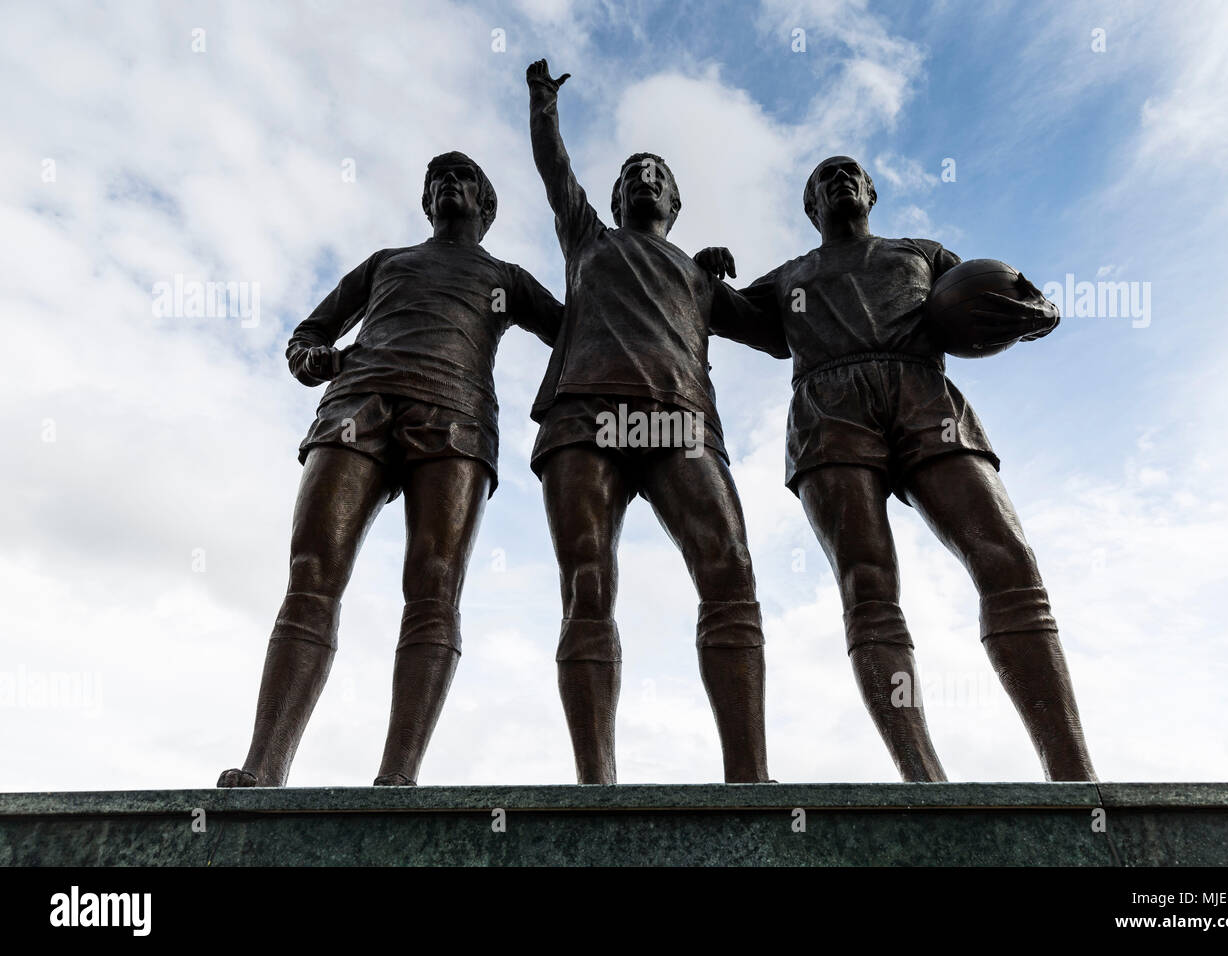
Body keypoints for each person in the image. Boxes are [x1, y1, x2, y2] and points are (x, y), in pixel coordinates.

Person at [696, 155, 1097, 781]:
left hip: (923, 395)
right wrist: (703, 272)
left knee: (1008, 559)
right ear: (810, 207)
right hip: (830, 410)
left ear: (873, 192)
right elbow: (714, 313)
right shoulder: (791, 276)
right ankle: (923, 778)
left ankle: (1074, 775)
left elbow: (1007, 294)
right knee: (869, 587)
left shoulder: (920, 252)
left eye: (849, 173)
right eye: (823, 180)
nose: (839, 182)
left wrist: (1039, 311)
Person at [217, 151, 562, 787]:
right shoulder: (386, 264)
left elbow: (575, 336)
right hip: (358, 405)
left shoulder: (507, 278)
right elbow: (310, 332)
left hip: (454, 416)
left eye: (464, 179)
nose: (450, 186)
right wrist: (311, 356)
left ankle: (397, 780)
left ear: (486, 208)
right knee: (312, 571)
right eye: (439, 181)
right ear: (426, 201)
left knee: (434, 586)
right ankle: (264, 768)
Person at [525, 59, 785, 784]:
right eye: (632, 170)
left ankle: (750, 781)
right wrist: (543, 104)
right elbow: (555, 171)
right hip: (586, 416)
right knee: (587, 586)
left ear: (675, 199)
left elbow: (779, 332)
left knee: (729, 571)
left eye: (658, 172)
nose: (644, 175)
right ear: (613, 196)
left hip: (679, 420)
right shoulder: (588, 239)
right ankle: (595, 785)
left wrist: (761, 283)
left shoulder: (700, 277)